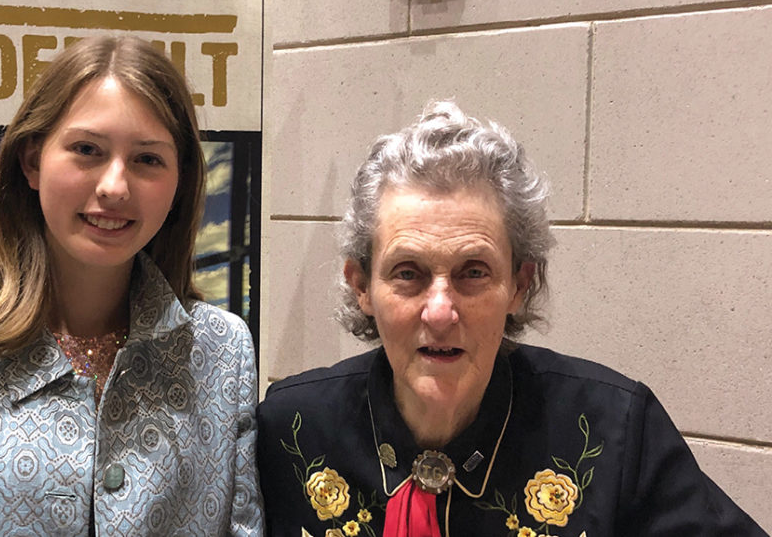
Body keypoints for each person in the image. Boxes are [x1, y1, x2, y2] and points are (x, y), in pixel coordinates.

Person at [257, 101, 766, 536]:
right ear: (361, 286)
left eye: (473, 272)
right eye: (407, 273)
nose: (439, 311)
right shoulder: (292, 430)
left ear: (520, 286)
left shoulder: (613, 430)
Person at [0, 35, 263, 535]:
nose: (114, 186)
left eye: (148, 159)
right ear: (32, 161)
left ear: (180, 182)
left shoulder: (222, 352)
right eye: (87, 149)